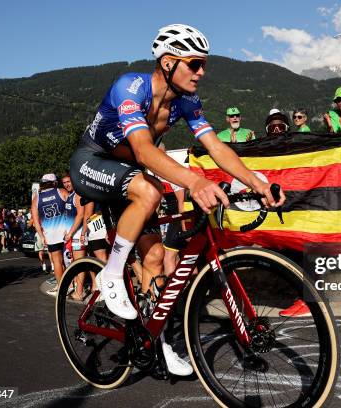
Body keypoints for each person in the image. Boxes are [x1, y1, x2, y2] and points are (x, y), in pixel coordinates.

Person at [69, 24, 284, 375]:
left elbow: (216, 147)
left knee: (154, 258)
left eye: (203, 64)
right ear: (168, 63)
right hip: (92, 162)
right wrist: (195, 181)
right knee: (150, 189)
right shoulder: (131, 87)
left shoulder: (186, 102)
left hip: (130, 173)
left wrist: (257, 183)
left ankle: (157, 341)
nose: (202, 72)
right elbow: (141, 149)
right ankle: (110, 274)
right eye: (194, 64)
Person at [31, 173, 68, 295]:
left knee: (57, 261)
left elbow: (36, 221)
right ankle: (73, 283)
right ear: (54, 182)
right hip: (66, 231)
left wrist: (42, 236)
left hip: (50, 235)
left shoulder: (37, 198)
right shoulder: (61, 191)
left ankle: (61, 287)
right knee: (69, 259)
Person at [61, 174, 88, 300]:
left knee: (79, 264)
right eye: (64, 182)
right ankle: (84, 288)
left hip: (77, 233)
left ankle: (79, 292)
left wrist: (71, 233)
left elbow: (81, 215)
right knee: (76, 263)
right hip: (72, 234)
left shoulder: (77, 194)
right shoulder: (70, 195)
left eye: (68, 181)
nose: (67, 184)